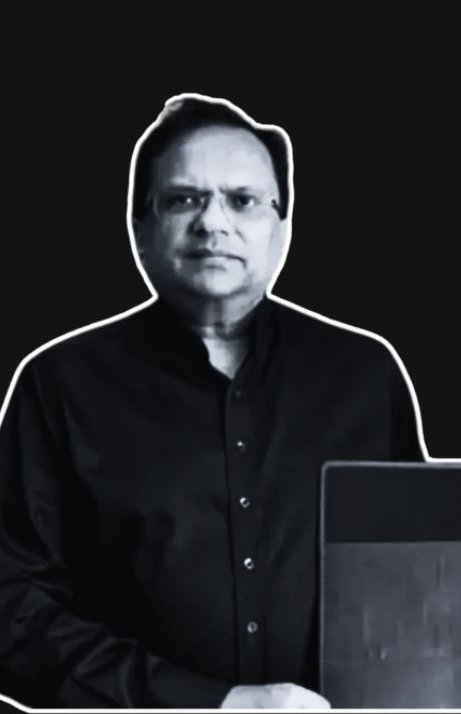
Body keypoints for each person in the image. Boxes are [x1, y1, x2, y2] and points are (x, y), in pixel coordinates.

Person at [0, 95, 426, 709]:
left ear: (283, 226)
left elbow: (422, 573)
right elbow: (13, 609)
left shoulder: (365, 376)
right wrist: (208, 703)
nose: (213, 223)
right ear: (139, 227)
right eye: (183, 199)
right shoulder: (59, 385)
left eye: (243, 200)